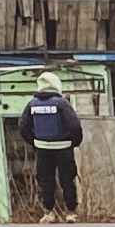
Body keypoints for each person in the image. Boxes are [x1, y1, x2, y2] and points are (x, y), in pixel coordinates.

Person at [23, 88, 84, 220]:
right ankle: (71, 212)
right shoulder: (61, 103)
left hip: (42, 148)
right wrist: (75, 142)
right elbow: (74, 124)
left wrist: (34, 142)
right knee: (67, 179)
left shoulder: (32, 104)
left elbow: (23, 126)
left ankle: (48, 212)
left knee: (46, 180)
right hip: (63, 147)